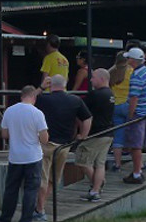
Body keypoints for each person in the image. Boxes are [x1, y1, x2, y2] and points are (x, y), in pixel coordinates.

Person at [34, 75, 91, 220]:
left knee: (42, 179)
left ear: (50, 85)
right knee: (54, 179)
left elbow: (28, 101)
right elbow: (87, 118)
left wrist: (41, 87)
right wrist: (82, 135)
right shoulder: (75, 100)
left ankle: (40, 209)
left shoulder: (43, 99)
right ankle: (40, 207)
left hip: (45, 144)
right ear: (65, 85)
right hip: (64, 146)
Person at [0, 86, 48, 222]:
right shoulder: (37, 113)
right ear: (34, 97)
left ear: (21, 96)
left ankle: (5, 217)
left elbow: (4, 134)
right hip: (33, 156)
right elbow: (44, 138)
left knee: (11, 189)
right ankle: (26, 219)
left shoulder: (9, 111)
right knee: (31, 189)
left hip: (15, 157)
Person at [76, 69, 114, 202]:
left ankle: (97, 185)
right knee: (100, 163)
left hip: (95, 134)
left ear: (102, 79)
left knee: (82, 160)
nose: (91, 80)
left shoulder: (95, 95)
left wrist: (82, 134)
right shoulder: (110, 94)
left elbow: (83, 113)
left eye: (93, 78)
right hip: (108, 132)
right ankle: (95, 190)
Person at [123, 48, 146, 184]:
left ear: (133, 60)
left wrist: (130, 116)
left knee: (135, 145)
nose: (127, 60)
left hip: (139, 114)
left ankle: (137, 173)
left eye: (128, 58)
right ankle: (139, 169)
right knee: (141, 143)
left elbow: (134, 98)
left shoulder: (136, 75)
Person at [108, 53, 133, 171]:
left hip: (115, 106)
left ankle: (117, 164)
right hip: (128, 105)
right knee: (133, 134)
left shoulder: (111, 72)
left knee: (118, 136)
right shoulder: (131, 71)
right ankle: (136, 164)